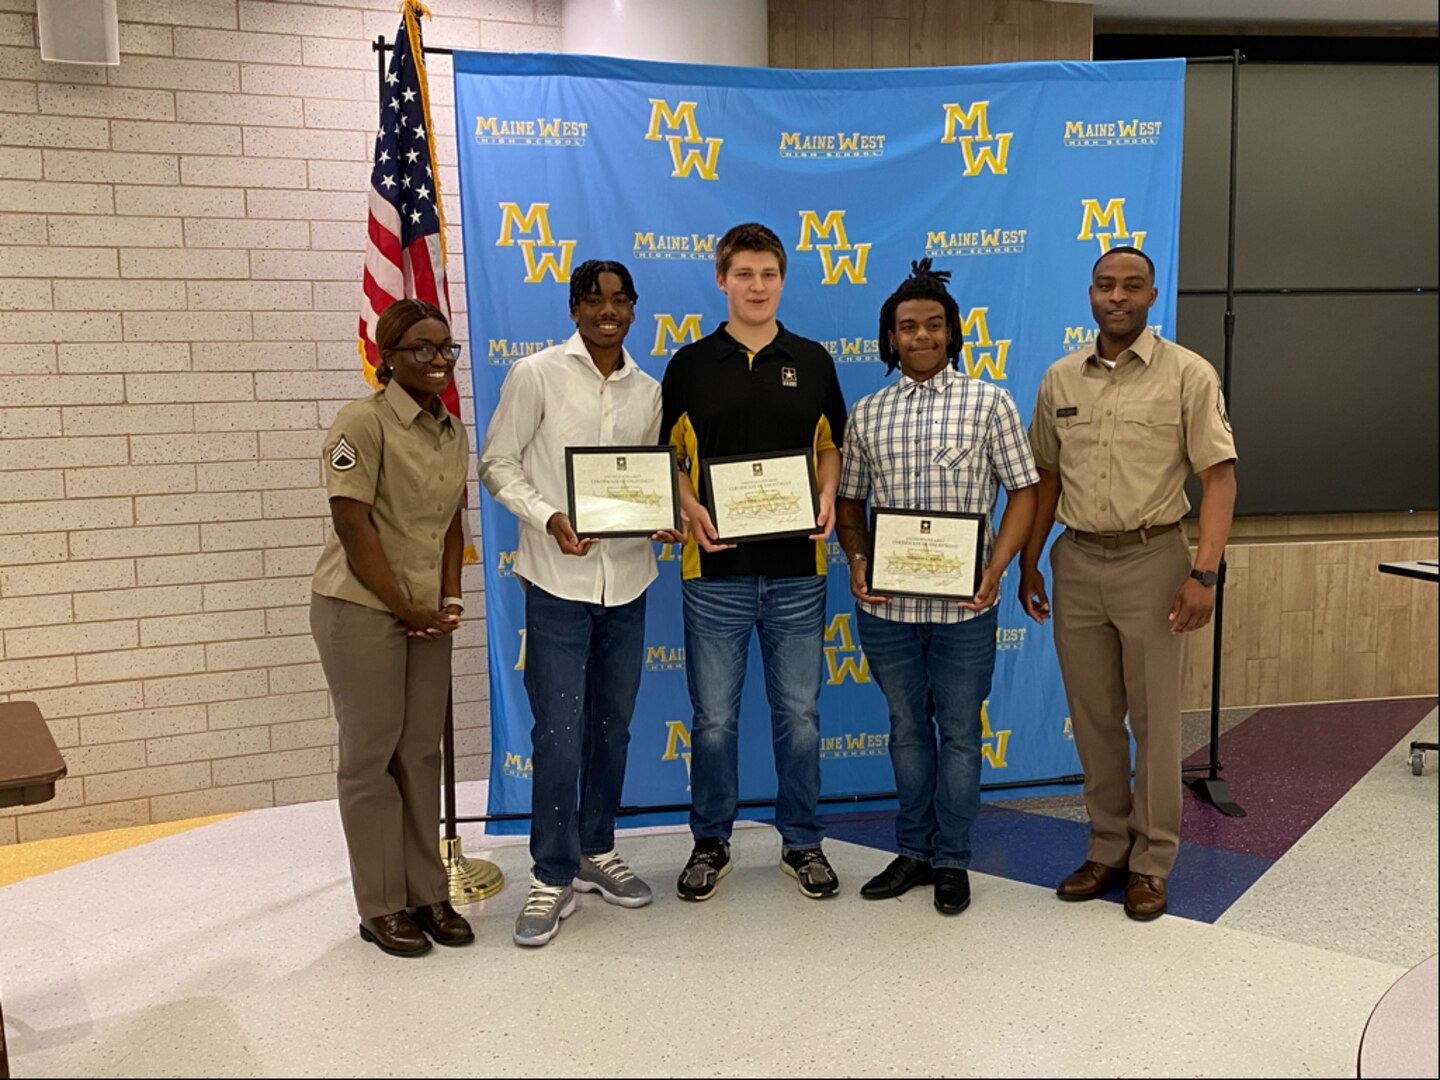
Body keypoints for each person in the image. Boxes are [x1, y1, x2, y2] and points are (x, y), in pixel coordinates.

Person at [1020, 246, 1237, 921]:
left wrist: (1204, 572)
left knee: (1155, 723)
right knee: (1094, 721)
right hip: (1077, 561)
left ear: (1151, 295)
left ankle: (1151, 862)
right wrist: (1029, 561)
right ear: (1090, 294)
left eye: (1131, 286)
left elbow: (1218, 477)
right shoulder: (1060, 379)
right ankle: (1107, 847)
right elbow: (1046, 480)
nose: (1117, 296)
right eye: (1106, 285)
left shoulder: (1188, 375)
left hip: (1155, 561)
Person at [479, 260, 683, 947]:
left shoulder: (649, 391)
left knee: (612, 729)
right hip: (557, 584)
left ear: (633, 310)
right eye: (594, 300)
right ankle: (550, 874)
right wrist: (547, 516)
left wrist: (660, 515)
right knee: (558, 734)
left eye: (620, 300)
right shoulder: (536, 374)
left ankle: (596, 850)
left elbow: (648, 478)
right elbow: (497, 463)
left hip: (627, 581)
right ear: (573, 307)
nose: (607, 311)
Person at [835, 259, 1038, 916]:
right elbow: (848, 501)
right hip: (887, 608)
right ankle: (914, 851)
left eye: (931, 325)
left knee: (958, 732)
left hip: (965, 607)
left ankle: (952, 857)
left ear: (951, 332)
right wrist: (858, 559)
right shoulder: (867, 413)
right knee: (904, 729)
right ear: (889, 338)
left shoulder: (990, 402)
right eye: (905, 327)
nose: (919, 336)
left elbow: (1025, 492)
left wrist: (995, 568)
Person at [661, 222, 848, 902]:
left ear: (782, 280)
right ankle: (711, 839)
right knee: (713, 719)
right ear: (721, 280)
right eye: (744, 274)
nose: (757, 286)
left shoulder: (814, 359)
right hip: (712, 575)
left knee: (799, 715)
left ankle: (802, 842)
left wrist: (827, 492)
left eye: (768, 274)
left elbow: (831, 445)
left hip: (799, 569)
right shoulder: (687, 365)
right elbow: (669, 461)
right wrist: (688, 506)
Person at [310, 298, 474, 957]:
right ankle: (381, 905)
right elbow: (353, 526)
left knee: (421, 753)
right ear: (389, 356)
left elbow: (451, 523)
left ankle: (427, 892)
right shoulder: (362, 422)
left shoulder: (451, 429)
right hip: (362, 609)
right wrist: (405, 608)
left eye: (446, 349)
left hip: (427, 614)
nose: (437, 361)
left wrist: (451, 599)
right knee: (370, 756)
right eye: (422, 350)